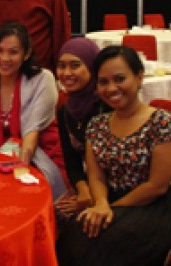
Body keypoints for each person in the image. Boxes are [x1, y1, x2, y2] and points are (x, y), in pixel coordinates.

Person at [56, 45, 171, 266]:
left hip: (160, 206)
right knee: (73, 234)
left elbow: (157, 186)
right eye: (103, 82)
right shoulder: (97, 124)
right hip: (112, 200)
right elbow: (96, 176)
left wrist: (111, 208)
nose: (111, 88)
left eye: (120, 79)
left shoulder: (161, 121)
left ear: (139, 78)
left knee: (105, 245)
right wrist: (101, 203)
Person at [0, 22, 67, 199]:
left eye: (13, 52)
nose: (5, 58)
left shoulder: (42, 80)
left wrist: (19, 172)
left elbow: (31, 134)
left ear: (26, 54)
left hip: (40, 159)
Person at [54, 38, 112, 217]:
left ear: (92, 67)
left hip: (114, 189)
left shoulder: (107, 106)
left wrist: (93, 198)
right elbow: (71, 163)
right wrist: (83, 190)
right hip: (88, 186)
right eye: (61, 66)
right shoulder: (65, 111)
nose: (66, 73)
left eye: (75, 65)